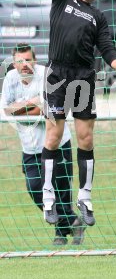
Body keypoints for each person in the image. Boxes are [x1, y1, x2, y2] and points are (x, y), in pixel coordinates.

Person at [42, 0, 116, 227]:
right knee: (54, 138)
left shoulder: (98, 17)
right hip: (57, 75)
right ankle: (49, 196)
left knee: (86, 139)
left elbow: (106, 47)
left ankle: (85, 195)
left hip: (83, 79)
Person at [1, 43, 85, 246]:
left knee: (60, 190)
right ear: (14, 63)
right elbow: (6, 110)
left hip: (56, 143)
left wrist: (22, 108)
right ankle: (72, 222)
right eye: (19, 61)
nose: (24, 65)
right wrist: (34, 102)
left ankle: (60, 234)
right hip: (29, 148)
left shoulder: (47, 76)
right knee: (34, 187)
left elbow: (50, 109)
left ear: (35, 60)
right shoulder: (10, 79)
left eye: (27, 60)